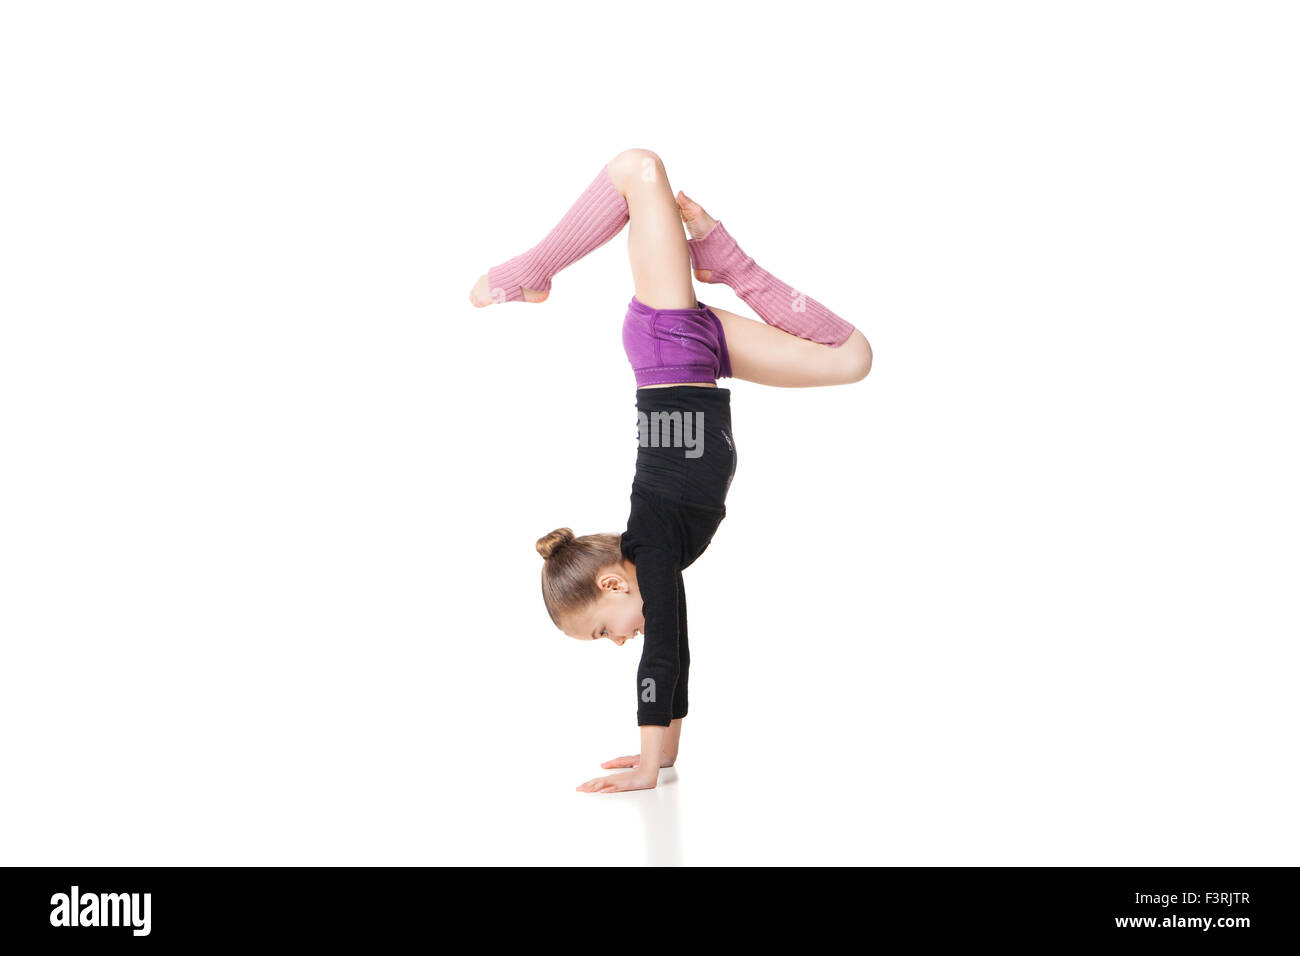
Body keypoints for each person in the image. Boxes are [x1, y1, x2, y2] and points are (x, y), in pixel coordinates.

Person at [469, 149, 873, 792]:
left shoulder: (653, 548)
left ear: (611, 585)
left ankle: (530, 273)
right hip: (698, 359)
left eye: (604, 632)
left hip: (669, 347)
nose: (620, 643)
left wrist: (648, 763)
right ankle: (725, 262)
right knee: (851, 358)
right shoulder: (659, 558)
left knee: (637, 168)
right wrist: (665, 755)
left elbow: (658, 657)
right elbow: (676, 652)